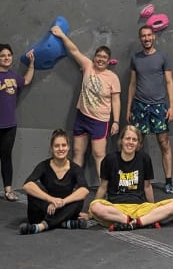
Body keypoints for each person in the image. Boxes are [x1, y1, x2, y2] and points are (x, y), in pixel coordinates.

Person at [51, 24, 121, 183]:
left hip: (100, 121)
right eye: (99, 56)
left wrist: (115, 121)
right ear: (94, 57)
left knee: (99, 155)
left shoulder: (112, 78)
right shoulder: (87, 66)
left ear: (108, 61)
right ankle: (75, 184)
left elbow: (116, 100)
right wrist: (61, 35)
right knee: (77, 151)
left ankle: (104, 188)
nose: (101, 59)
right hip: (82, 117)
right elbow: (74, 50)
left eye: (104, 57)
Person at [89, 125, 173, 231]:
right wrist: (92, 211)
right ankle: (134, 221)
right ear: (121, 141)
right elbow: (103, 187)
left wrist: (152, 208)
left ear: (138, 143)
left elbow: (147, 187)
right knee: (95, 207)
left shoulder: (144, 159)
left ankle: (136, 222)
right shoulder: (110, 159)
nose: (131, 142)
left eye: (134, 140)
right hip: (116, 208)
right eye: (128, 138)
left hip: (140, 207)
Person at [126, 25, 173, 194]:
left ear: (153, 37)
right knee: (137, 145)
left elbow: (169, 82)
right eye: (143, 36)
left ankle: (168, 181)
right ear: (140, 38)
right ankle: (136, 181)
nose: (146, 38)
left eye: (149, 35)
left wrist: (172, 105)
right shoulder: (135, 58)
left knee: (164, 143)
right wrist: (128, 109)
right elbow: (132, 84)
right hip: (139, 106)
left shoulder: (162, 56)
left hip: (158, 107)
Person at [0, 44, 34, 201]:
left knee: (6, 156)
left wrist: (32, 64)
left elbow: (26, 80)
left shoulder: (13, 76)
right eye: (3, 55)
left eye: (9, 55)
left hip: (10, 125)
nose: (7, 58)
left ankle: (8, 190)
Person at [20, 129, 91, 234]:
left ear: (68, 147)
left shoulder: (75, 168)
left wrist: (63, 202)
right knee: (33, 189)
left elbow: (84, 190)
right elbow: (27, 185)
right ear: (51, 149)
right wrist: (51, 199)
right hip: (45, 210)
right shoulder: (43, 166)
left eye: (64, 145)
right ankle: (62, 223)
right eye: (57, 146)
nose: (61, 149)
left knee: (78, 198)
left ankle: (42, 226)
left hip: (64, 208)